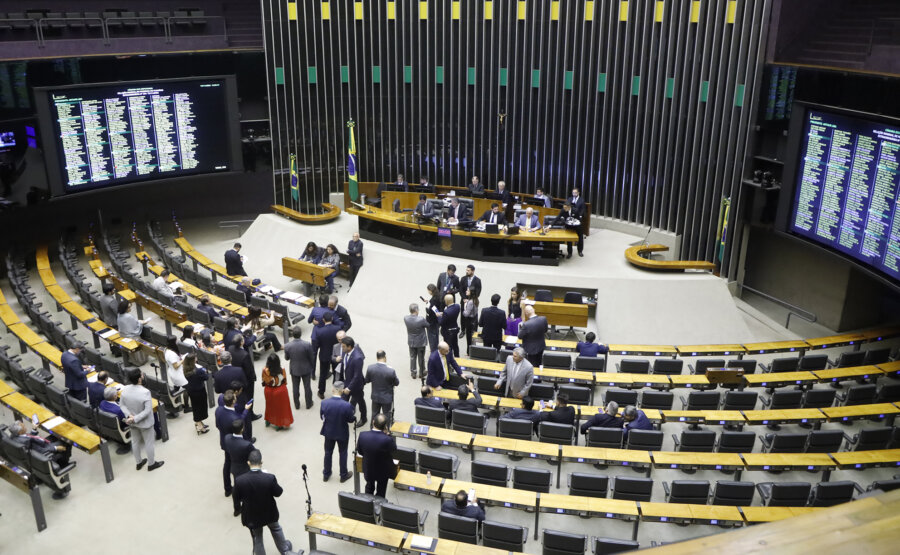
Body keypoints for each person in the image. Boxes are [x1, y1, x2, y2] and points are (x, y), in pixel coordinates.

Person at [233, 449, 295, 555]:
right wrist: (266, 476)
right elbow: (278, 492)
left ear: (248, 462)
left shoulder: (239, 481)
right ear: (261, 463)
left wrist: (238, 509)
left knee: (258, 537)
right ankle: (285, 550)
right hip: (269, 512)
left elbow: (236, 498)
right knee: (276, 529)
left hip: (252, 515)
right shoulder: (269, 478)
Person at [9, 421, 73, 499]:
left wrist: (34, 429)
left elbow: (30, 439)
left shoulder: (14, 437)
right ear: (20, 431)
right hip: (44, 451)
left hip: (38, 449)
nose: (25, 426)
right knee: (67, 440)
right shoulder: (26, 441)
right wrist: (56, 448)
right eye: (23, 426)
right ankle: (63, 462)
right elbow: (40, 451)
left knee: (54, 436)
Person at [121, 369, 164, 471]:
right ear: (140, 378)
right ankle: (151, 464)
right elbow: (148, 410)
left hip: (131, 422)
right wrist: (135, 418)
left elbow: (122, 405)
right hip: (144, 423)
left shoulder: (125, 389)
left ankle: (138, 462)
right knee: (149, 443)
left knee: (135, 442)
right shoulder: (145, 392)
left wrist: (129, 416)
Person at [216, 389, 254, 496]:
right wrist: (246, 410)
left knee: (227, 463)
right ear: (233, 401)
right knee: (239, 466)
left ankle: (227, 488)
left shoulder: (218, 410)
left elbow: (217, 425)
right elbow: (240, 422)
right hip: (234, 444)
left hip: (224, 441)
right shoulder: (234, 417)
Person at [320, 381, 355, 483]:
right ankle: (343, 475)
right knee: (343, 453)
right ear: (342, 391)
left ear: (332, 390)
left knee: (328, 452)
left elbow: (322, 417)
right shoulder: (346, 406)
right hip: (342, 433)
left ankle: (326, 474)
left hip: (329, 432)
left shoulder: (324, 403)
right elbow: (350, 419)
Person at [356, 413, 397, 498]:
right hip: (383, 471)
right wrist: (388, 434)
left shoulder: (363, 435)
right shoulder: (387, 439)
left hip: (368, 469)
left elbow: (360, 451)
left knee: (369, 487)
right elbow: (394, 449)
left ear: (373, 422)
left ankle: (367, 504)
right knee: (381, 491)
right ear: (385, 426)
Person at [224, 419, 255, 516]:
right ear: (242, 429)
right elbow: (254, 454)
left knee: (236, 490)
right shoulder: (246, 445)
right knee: (249, 490)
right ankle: (250, 508)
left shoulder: (227, 438)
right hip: (245, 470)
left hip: (234, 468)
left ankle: (237, 509)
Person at [284, 326, 316, 410]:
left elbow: (286, 358)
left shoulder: (287, 346)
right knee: (307, 387)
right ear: (300, 334)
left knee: (295, 388)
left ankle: (297, 405)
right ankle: (309, 404)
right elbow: (311, 357)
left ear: (292, 334)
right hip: (306, 369)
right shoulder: (307, 344)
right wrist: (312, 367)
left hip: (294, 369)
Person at [312, 312, 342, 398]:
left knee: (323, 374)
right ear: (332, 319)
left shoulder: (319, 332)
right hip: (336, 355)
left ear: (323, 320)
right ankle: (336, 391)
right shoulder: (338, 328)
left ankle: (321, 392)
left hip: (324, 355)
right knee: (336, 373)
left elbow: (316, 345)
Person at [365, 350, 399, 426]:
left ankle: (373, 429)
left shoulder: (370, 368)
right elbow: (396, 383)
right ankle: (386, 431)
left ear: (377, 357)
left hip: (375, 396)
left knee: (374, 414)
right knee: (387, 415)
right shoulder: (390, 370)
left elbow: (367, 380)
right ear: (385, 357)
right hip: (387, 398)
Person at [340, 336, 367, 429]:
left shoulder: (357, 358)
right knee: (343, 402)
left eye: (343, 347)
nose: (342, 348)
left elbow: (357, 376)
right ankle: (344, 418)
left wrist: (349, 388)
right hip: (346, 382)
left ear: (349, 347)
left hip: (355, 386)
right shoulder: (345, 352)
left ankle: (364, 418)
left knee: (360, 402)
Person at [262, 353, 294, 430]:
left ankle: (268, 420)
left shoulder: (264, 370)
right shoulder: (282, 369)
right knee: (280, 408)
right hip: (280, 391)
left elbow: (264, 381)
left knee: (270, 406)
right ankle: (278, 424)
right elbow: (285, 381)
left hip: (268, 390)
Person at [183, 354, 211, 435]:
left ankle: (199, 422)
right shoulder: (198, 371)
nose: (196, 358)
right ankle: (200, 426)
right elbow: (206, 377)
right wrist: (205, 371)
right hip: (199, 391)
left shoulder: (185, 369)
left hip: (191, 391)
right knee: (200, 408)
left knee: (196, 407)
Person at [404, 303, 427, 380]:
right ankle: (421, 372)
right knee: (421, 357)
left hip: (411, 341)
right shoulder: (421, 319)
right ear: (416, 310)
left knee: (412, 357)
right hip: (420, 342)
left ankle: (413, 373)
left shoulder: (406, 318)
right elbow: (428, 325)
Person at [423, 284, 442, 353]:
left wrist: (428, 306)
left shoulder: (433, 300)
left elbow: (430, 311)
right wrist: (429, 302)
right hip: (436, 321)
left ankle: (434, 351)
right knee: (436, 335)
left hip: (431, 321)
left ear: (431, 291)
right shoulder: (438, 297)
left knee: (432, 337)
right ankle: (436, 349)